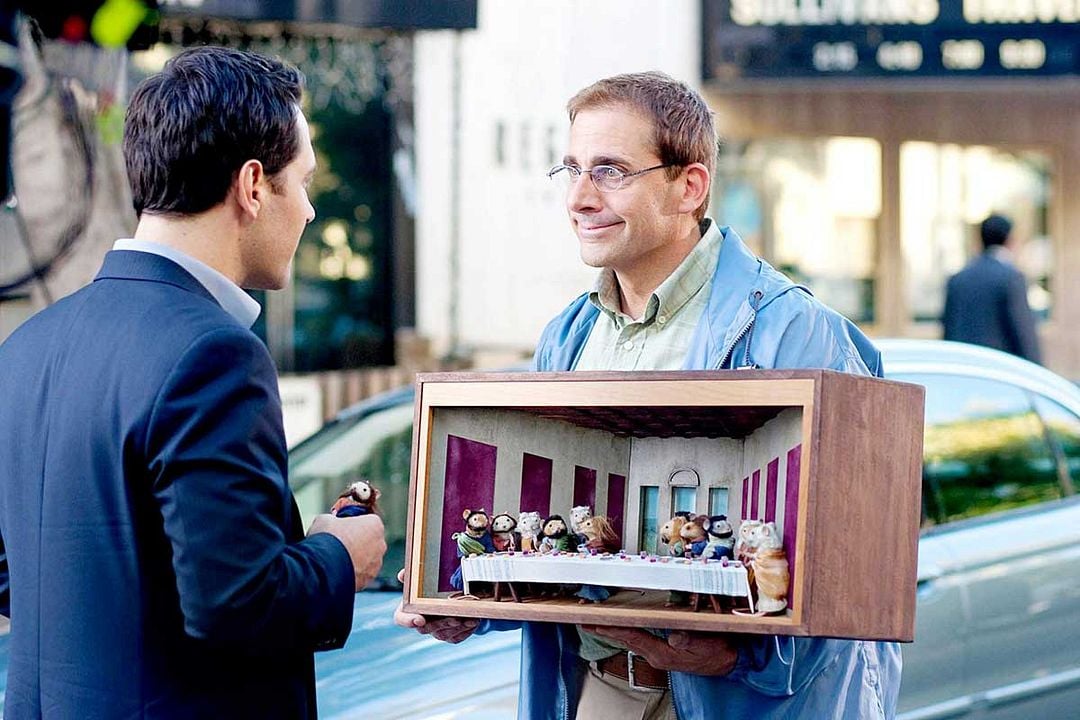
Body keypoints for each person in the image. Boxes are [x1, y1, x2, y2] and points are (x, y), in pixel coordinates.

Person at [396, 71, 898, 719]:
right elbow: (557, 564)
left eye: (610, 170)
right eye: (571, 167)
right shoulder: (569, 335)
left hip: (735, 704)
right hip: (596, 690)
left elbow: (858, 569)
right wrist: (465, 605)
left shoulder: (795, 329)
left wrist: (735, 655)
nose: (579, 196)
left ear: (689, 186)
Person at [0, 46, 386, 719]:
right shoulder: (214, 354)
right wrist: (336, 557)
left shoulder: (29, 344)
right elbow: (236, 603)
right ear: (254, 185)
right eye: (304, 184)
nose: (309, 213)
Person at [942, 213, 1042, 363]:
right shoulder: (1011, 278)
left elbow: (948, 329)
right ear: (1009, 239)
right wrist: (1038, 372)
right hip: (999, 372)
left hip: (962, 369)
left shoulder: (957, 279)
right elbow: (1024, 334)